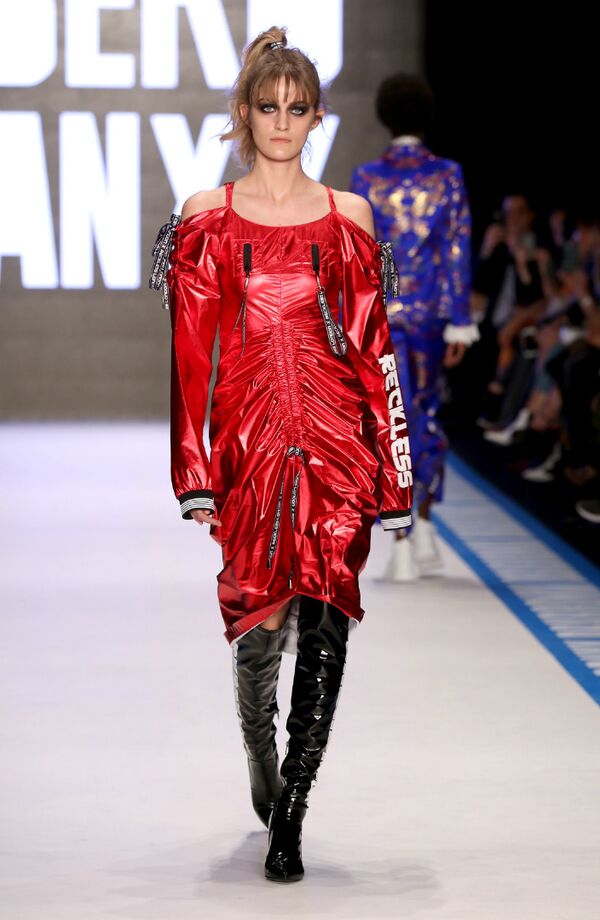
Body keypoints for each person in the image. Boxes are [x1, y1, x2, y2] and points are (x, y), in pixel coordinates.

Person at [150, 27, 412, 882]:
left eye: (297, 108)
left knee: (329, 609)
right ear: (244, 111)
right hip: (250, 440)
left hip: (337, 438)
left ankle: (292, 807)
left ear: (317, 117)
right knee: (260, 615)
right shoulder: (208, 218)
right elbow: (191, 356)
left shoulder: (349, 218)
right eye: (268, 106)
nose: (282, 121)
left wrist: (394, 473)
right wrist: (194, 473)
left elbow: (374, 350)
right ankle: (261, 753)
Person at [350, 73, 478, 581]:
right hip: (431, 317)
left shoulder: (367, 178)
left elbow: (360, 257)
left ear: (384, 115)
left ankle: (401, 542)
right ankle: (424, 524)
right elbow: (456, 251)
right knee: (426, 414)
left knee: (391, 422)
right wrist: (460, 322)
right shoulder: (448, 175)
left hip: (384, 317)